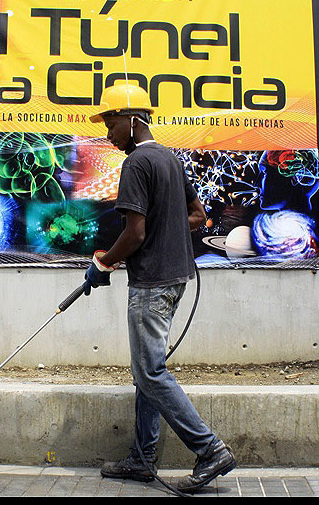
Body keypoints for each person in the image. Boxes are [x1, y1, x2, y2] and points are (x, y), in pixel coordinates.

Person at [83, 81, 237, 494]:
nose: (108, 134)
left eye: (111, 124)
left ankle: (210, 450)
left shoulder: (136, 164)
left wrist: (103, 262)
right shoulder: (169, 158)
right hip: (176, 278)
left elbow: (134, 233)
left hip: (151, 282)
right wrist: (162, 230)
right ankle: (142, 457)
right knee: (146, 371)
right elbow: (197, 215)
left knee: (149, 372)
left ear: (132, 121)